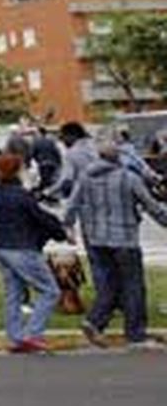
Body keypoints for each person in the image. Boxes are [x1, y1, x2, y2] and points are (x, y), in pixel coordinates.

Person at [64, 140, 167, 350]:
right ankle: (135, 334)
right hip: (124, 238)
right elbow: (151, 206)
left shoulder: (85, 177)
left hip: (96, 239)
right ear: (118, 157)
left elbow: (72, 204)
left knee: (110, 283)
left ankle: (95, 321)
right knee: (133, 286)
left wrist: (68, 227)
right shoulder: (128, 178)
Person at [0, 153, 66, 354]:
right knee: (50, 291)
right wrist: (60, 232)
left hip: (0, 248)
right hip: (23, 248)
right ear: (17, 171)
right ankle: (32, 333)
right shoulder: (22, 196)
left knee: (13, 294)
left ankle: (15, 337)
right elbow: (40, 217)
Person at [57, 122, 98, 199]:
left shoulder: (72, 153)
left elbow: (66, 179)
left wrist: (47, 192)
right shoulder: (95, 146)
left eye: (63, 137)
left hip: (83, 194)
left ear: (72, 136)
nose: (63, 141)